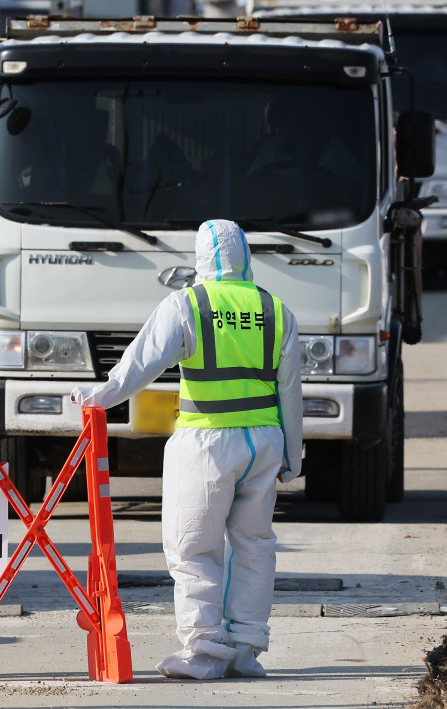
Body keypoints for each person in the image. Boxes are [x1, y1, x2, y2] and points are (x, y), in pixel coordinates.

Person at [71, 220, 303, 680]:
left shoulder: (188, 303)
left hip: (206, 442)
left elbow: (141, 363)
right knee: (254, 545)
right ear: (245, 257)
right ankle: (245, 647)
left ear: (200, 259)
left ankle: (203, 648)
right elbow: (291, 391)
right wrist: (293, 457)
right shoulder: (276, 309)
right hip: (264, 441)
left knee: (193, 546)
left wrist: (100, 396)